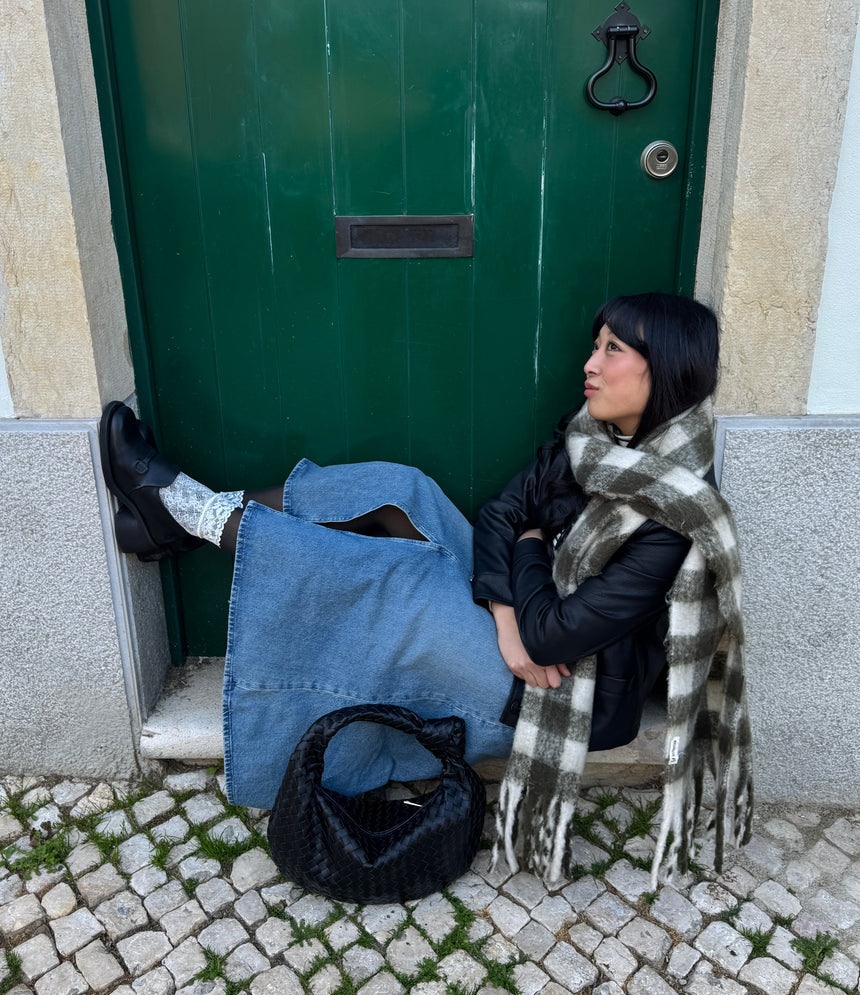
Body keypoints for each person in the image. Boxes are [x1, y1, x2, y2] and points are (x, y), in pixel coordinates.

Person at [100, 292, 752, 884]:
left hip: (569, 685)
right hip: (524, 623)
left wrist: (526, 552)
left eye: (612, 350)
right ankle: (187, 513)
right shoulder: (595, 440)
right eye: (595, 345)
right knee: (402, 489)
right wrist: (504, 611)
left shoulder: (674, 517)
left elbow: (555, 632)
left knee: (404, 581)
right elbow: (501, 514)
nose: (590, 364)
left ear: (665, 370)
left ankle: (177, 509)